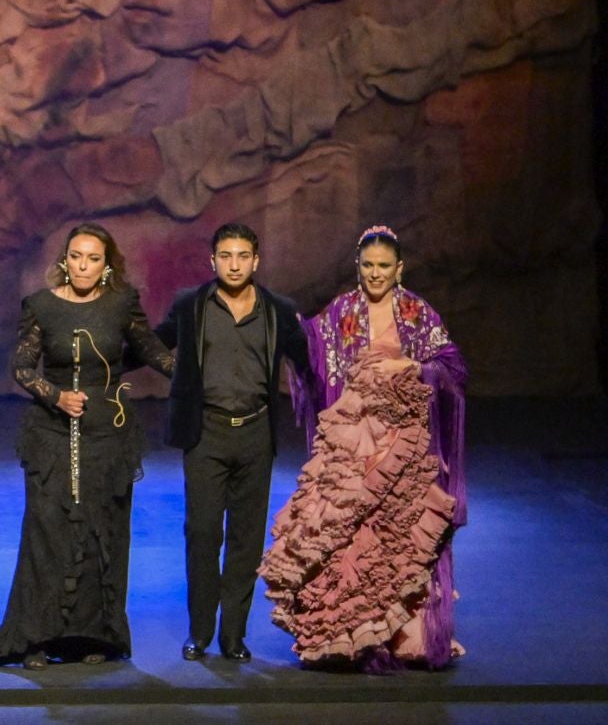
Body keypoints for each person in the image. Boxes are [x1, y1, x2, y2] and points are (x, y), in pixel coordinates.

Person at [261, 225, 466, 669]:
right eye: (368, 266)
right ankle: (353, 635)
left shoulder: (416, 313)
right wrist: (282, 322)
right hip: (355, 448)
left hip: (405, 446)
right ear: (358, 266)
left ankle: (406, 635)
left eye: (384, 266)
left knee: (402, 543)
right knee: (357, 543)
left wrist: (411, 364)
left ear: (399, 269)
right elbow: (311, 349)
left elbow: (452, 365)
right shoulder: (343, 311)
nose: (375, 274)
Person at [0, 222, 173, 668]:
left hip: (108, 432)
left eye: (93, 258)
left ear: (106, 265)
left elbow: (150, 350)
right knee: (48, 532)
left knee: (102, 531)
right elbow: (21, 366)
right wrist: (55, 395)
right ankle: (36, 637)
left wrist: (194, 377)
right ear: (64, 261)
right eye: (76, 256)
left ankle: (96, 636)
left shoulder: (121, 304)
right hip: (53, 432)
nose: (83, 265)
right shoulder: (41, 306)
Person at [154, 222, 310, 663]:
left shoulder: (278, 309)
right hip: (206, 432)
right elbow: (151, 344)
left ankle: (233, 636)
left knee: (245, 539)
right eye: (226, 256)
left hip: (257, 433)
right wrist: (96, 366)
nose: (235, 264)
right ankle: (200, 632)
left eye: (243, 256)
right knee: (202, 534)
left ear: (256, 261)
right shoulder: (191, 305)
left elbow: (311, 361)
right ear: (213, 260)